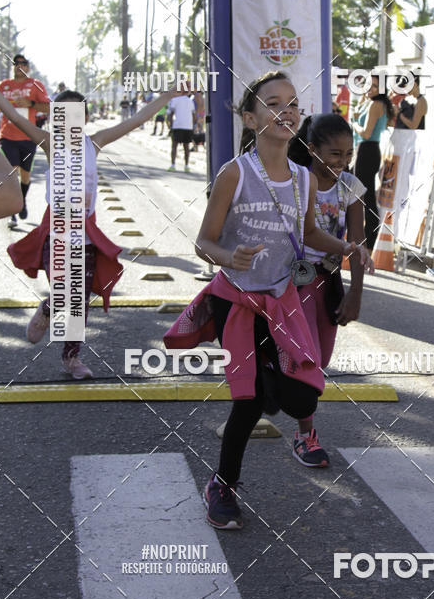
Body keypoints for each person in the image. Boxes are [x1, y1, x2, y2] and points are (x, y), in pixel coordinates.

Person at [163, 71, 369, 530]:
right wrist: (227, 255)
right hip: (237, 300)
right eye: (274, 103)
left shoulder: (302, 178)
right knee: (251, 400)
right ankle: (223, 485)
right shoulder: (234, 173)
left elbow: (310, 233)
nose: (287, 111)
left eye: (293, 103)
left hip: (284, 300)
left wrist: (349, 248)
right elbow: (204, 241)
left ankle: (275, 400)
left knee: (300, 396)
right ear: (251, 116)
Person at [0, 67, 178, 379]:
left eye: (77, 115)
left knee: (79, 303)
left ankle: (71, 358)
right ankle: (48, 309)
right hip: (55, 236)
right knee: (64, 291)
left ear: (84, 119)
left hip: (85, 238)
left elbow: (135, 121)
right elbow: (15, 118)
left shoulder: (94, 144)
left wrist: (167, 97)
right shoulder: (49, 142)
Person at [288, 114, 372, 370]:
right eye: (335, 154)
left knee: (322, 360)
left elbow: (357, 239)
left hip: (328, 279)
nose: (343, 162)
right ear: (312, 149)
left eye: (349, 154)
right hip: (295, 279)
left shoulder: (350, 186)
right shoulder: (295, 181)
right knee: (308, 359)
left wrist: (355, 293)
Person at [0, 54, 49, 228]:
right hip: (7, 136)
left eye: (23, 63)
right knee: (12, 173)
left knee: (25, 176)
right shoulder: (3, 86)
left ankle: (22, 201)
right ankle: (13, 213)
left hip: (28, 136)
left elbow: (48, 107)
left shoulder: (36, 85)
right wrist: (1, 107)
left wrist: (30, 103)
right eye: (16, 63)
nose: (19, 66)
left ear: (28, 67)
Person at [352, 75, 393, 251]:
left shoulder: (376, 105)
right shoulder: (374, 102)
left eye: (375, 86)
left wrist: (353, 123)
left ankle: (370, 238)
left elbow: (366, 133)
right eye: (369, 84)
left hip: (367, 150)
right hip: (366, 151)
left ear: (381, 89)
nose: (371, 88)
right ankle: (365, 236)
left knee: (365, 196)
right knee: (360, 195)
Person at [167, 88, 196, 171]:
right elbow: (194, 115)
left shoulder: (174, 100)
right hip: (188, 127)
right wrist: (193, 125)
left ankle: (173, 165)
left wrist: (170, 126)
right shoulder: (190, 101)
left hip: (177, 125)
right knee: (186, 147)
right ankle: (186, 166)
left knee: (174, 146)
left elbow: (171, 114)